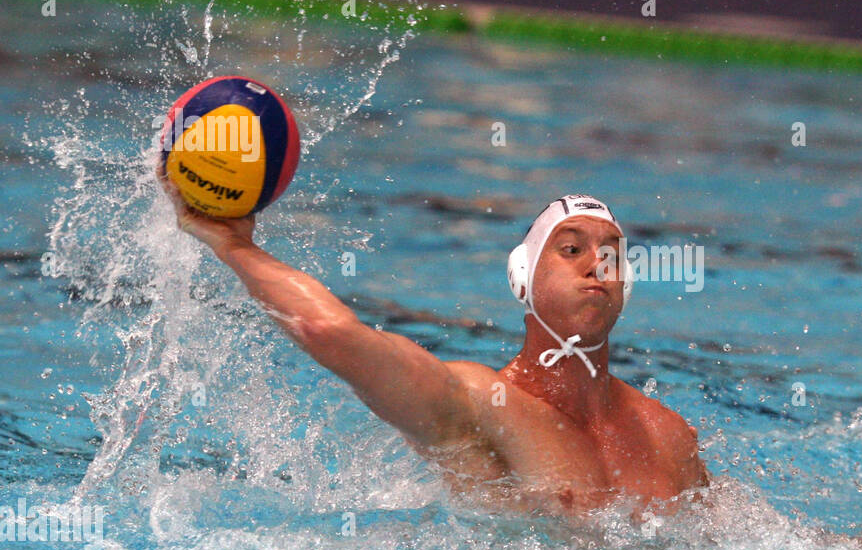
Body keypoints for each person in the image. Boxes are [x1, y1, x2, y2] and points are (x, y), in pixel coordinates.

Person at [157, 171, 709, 517]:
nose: (596, 264)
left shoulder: (670, 437)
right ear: (522, 280)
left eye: (611, 254)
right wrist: (234, 246)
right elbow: (331, 332)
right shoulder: (478, 403)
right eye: (569, 249)